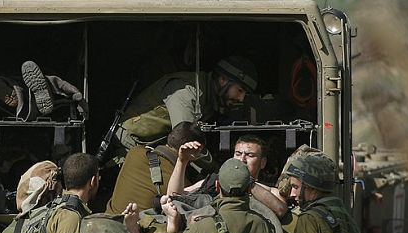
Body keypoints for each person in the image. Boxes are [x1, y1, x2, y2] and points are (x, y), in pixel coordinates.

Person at [116, 56, 258, 151]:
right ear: (223, 80)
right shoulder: (187, 90)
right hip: (130, 145)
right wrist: (214, 169)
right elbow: (185, 141)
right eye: (239, 90)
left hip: (151, 146)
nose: (241, 98)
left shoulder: (210, 99)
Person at [166, 134, 288, 224]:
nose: (242, 160)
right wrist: (182, 161)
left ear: (262, 163)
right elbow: (174, 195)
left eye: (250, 155)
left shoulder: (270, 191)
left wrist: (245, 182)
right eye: (238, 154)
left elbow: (280, 210)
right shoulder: (215, 180)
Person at [106, 121, 206, 215]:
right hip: (141, 230)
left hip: (109, 221)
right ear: (195, 150)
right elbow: (177, 199)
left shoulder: (135, 152)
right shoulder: (181, 182)